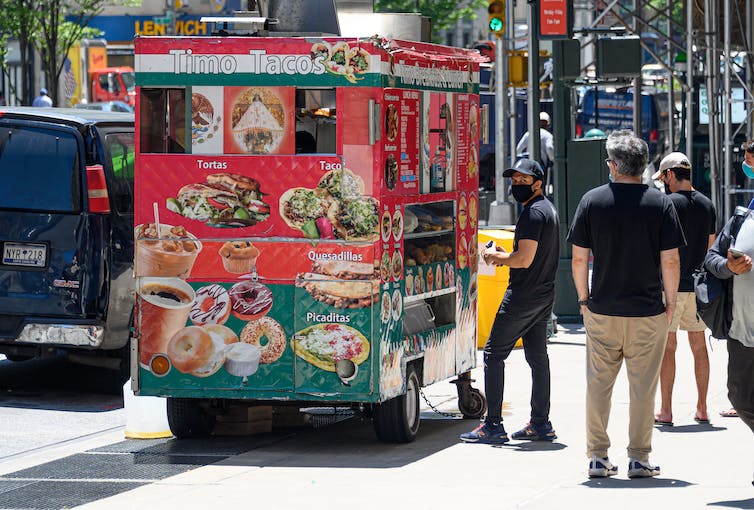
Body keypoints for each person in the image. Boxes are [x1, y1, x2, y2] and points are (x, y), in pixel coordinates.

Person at [567, 130, 685, 478]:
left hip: (602, 309)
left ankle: (598, 456)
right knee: (643, 388)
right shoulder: (660, 203)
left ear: (614, 165)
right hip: (648, 312)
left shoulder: (592, 201)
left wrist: (583, 302)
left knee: (598, 386)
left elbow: (578, 260)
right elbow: (672, 262)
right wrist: (670, 304)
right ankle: (638, 457)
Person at [460, 159, 560, 444]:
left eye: (523, 181)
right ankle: (541, 423)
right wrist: (509, 253)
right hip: (543, 296)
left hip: (523, 296)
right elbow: (531, 254)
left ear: (538, 183)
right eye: (514, 180)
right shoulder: (548, 210)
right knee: (538, 359)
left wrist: (497, 258)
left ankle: (493, 425)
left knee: (493, 354)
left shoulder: (532, 214)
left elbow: (525, 259)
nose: (517, 185)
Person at [650, 152, 716, 426]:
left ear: (669, 175)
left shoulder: (666, 205)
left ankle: (666, 410)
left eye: (663, 177)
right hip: (699, 287)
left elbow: (659, 247)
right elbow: (712, 247)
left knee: (669, 347)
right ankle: (702, 407)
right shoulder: (707, 204)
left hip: (671, 286)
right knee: (699, 347)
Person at [704, 146, 754, 481]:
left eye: (753, 159)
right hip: (742, 329)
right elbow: (711, 258)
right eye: (748, 159)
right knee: (739, 395)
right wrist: (729, 266)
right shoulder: (743, 215)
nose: (747, 164)